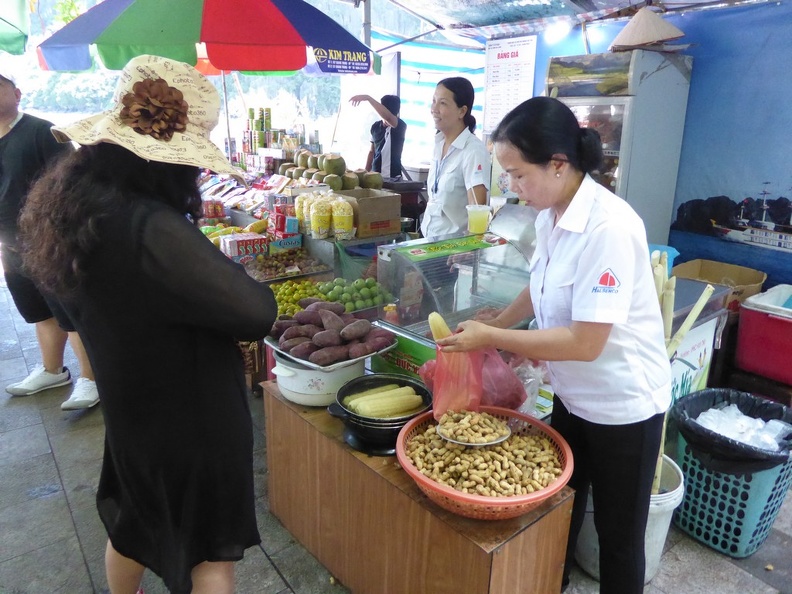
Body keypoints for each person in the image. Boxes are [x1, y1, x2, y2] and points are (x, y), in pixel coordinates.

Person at [18, 55, 278, 594]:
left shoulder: (77, 203)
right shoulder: (150, 225)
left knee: (135, 523)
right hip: (190, 414)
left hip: (131, 402)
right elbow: (257, 312)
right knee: (209, 556)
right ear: (170, 160)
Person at [435, 96, 671, 594]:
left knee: (618, 535)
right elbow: (540, 286)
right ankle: (551, 584)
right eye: (508, 176)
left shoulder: (610, 227)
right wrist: (502, 320)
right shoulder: (550, 213)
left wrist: (494, 337)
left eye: (519, 175)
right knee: (559, 507)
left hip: (622, 405)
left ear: (559, 164)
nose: (512, 187)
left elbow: (587, 342)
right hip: (572, 395)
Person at [0, 69, 99, 410]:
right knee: (38, 312)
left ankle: (90, 378)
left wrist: (58, 235)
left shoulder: (42, 131)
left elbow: (70, 184)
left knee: (69, 312)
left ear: (17, 94)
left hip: (47, 241)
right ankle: (52, 370)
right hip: (9, 245)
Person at [420, 77, 490, 238]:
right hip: (429, 243)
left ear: (462, 111)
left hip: (452, 253)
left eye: (443, 103)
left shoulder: (473, 151)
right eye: (434, 101)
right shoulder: (438, 144)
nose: (434, 109)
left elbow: (477, 209)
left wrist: (467, 251)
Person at [349, 93, 406, 179]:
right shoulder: (375, 127)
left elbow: (389, 117)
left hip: (393, 177)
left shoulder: (400, 126)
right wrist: (365, 173)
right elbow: (372, 152)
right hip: (375, 175)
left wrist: (368, 98)